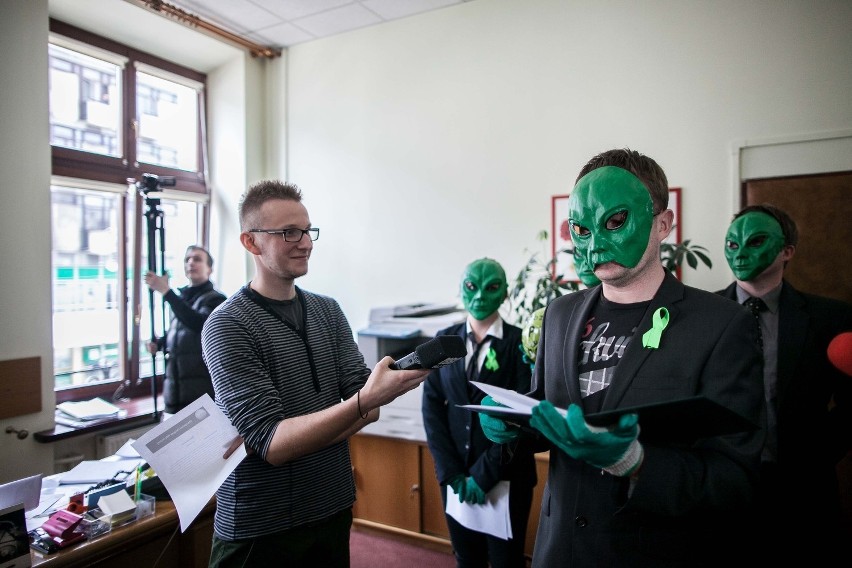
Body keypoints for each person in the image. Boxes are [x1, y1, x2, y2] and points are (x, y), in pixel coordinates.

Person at [480, 148, 765, 567]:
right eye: (580, 229)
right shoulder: (559, 314)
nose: (595, 244)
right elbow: (552, 411)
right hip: (559, 550)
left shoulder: (722, 325)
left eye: (615, 222)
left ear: (663, 223)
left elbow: (734, 479)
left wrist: (635, 463)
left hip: (651, 550)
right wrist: (513, 424)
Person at [200, 180, 429, 568]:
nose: (305, 242)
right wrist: (360, 403)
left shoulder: (328, 311)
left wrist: (361, 403)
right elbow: (273, 444)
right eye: (289, 232)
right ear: (251, 242)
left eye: (307, 230)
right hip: (262, 526)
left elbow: (366, 408)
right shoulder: (227, 325)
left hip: (331, 507)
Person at [717, 203, 852, 560]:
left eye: (756, 241)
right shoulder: (701, 315)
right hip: (719, 491)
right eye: (732, 244)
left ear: (787, 250)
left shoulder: (833, 318)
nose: (741, 251)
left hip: (803, 493)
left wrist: (817, 454)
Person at [422, 257, 536, 568]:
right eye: (471, 287)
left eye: (492, 288)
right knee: (466, 558)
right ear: (461, 289)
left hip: (506, 479)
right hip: (455, 476)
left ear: (505, 294)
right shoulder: (443, 341)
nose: (480, 297)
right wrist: (451, 473)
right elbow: (432, 406)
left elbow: (522, 418)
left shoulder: (520, 344)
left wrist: (482, 477)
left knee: (505, 562)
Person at [144, 245, 226, 414]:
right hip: (175, 394)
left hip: (202, 396)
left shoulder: (216, 300)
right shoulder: (182, 299)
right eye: (187, 259)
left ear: (209, 269)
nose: (191, 263)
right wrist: (160, 344)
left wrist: (167, 292)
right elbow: (180, 335)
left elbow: (198, 324)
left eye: (197, 259)